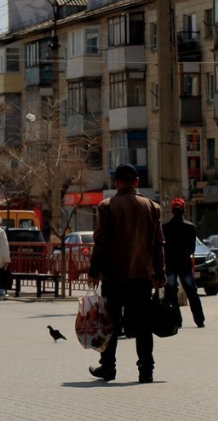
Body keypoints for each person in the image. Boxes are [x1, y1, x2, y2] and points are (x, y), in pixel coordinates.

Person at [88, 163, 165, 383]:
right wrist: (160, 274)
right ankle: (146, 371)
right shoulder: (152, 207)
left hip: (114, 276)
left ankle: (108, 369)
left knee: (111, 323)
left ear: (117, 182)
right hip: (142, 277)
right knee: (143, 326)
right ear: (137, 182)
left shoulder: (107, 206)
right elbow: (158, 244)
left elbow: (101, 242)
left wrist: (94, 271)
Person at [162, 198, 205, 328]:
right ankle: (199, 320)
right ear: (184, 210)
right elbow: (192, 249)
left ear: (172, 211)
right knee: (192, 291)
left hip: (170, 263)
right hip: (184, 263)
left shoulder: (165, 227)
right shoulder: (190, 227)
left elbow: (162, 248)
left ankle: (177, 320)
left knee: (171, 291)